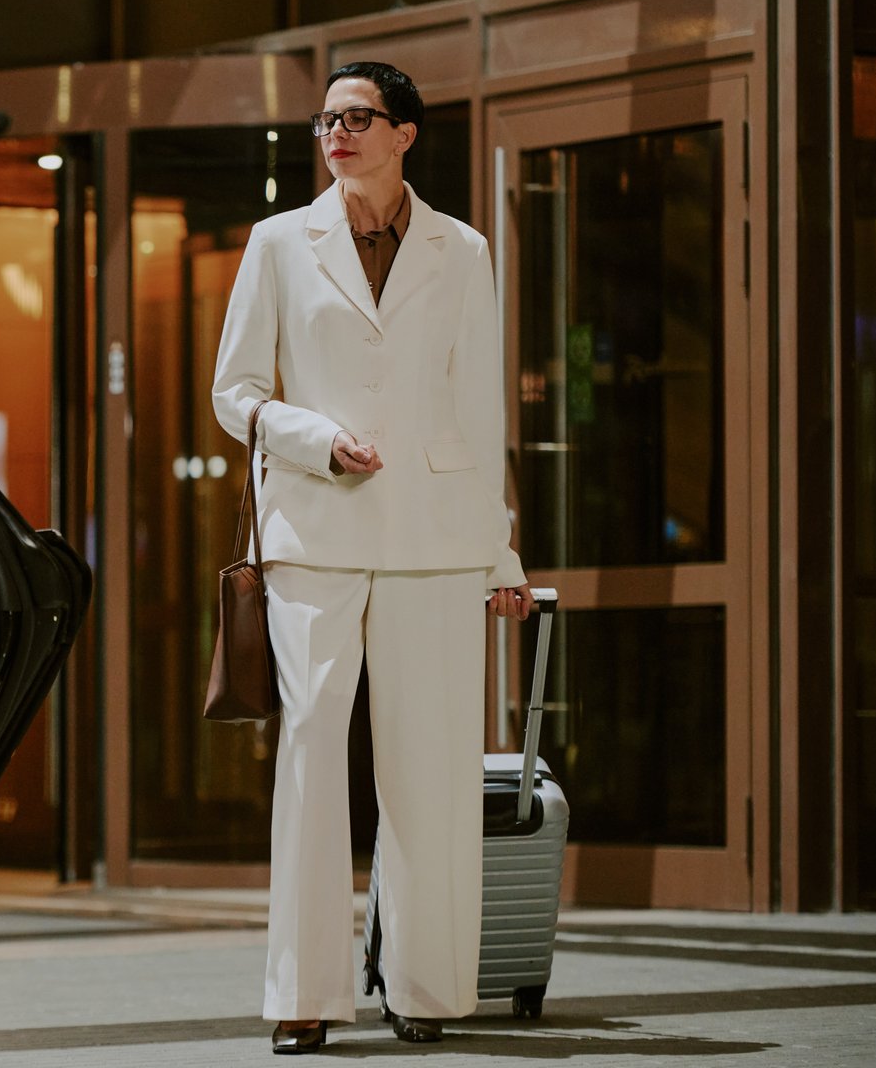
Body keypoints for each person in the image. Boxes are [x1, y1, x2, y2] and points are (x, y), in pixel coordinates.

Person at [210, 61, 534, 1055]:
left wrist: (500, 555)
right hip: (316, 531)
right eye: (326, 119)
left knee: (429, 774)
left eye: (358, 119)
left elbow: (480, 409)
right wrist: (310, 438)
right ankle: (301, 994)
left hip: (436, 540)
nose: (337, 133)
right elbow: (234, 394)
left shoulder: (462, 248)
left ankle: (424, 989)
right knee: (309, 757)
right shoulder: (275, 242)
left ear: (404, 135)